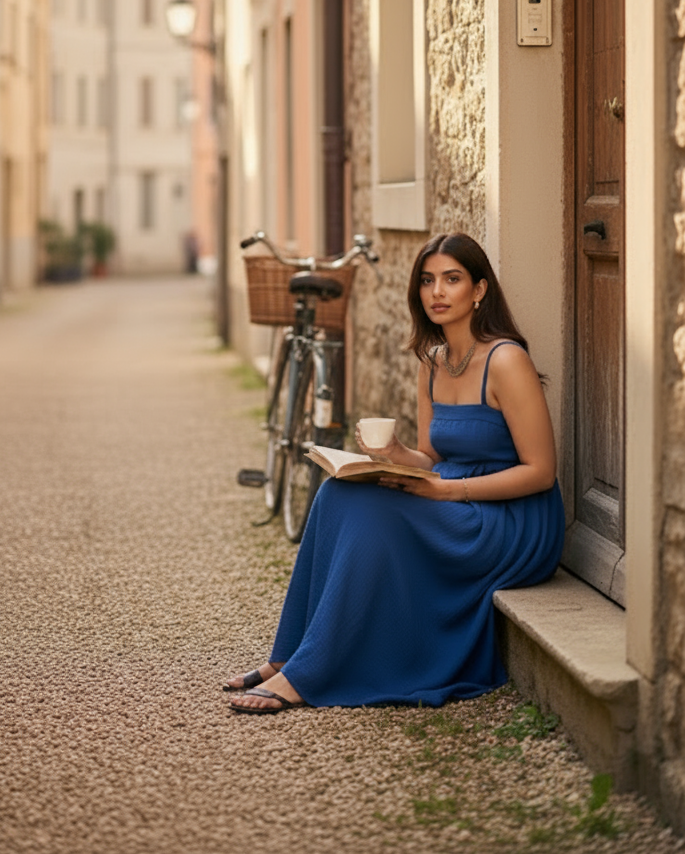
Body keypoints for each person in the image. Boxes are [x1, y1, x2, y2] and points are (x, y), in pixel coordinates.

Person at [225, 231, 565, 714]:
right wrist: (397, 453)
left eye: (452, 279)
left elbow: (541, 473)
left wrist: (447, 492)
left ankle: (312, 673)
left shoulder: (506, 360)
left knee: (375, 518)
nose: (437, 293)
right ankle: (289, 657)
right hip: (451, 494)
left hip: (509, 517)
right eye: (427, 281)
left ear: (480, 290)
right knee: (338, 495)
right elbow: (430, 455)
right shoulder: (432, 362)